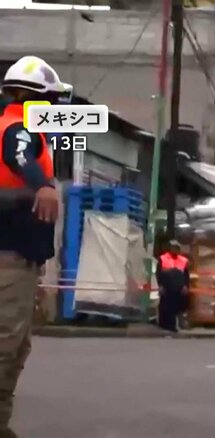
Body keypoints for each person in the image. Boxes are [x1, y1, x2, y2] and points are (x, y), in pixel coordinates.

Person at [0, 56, 68, 437]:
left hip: (18, 258)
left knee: (15, 347)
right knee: (5, 347)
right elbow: (20, 153)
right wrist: (43, 184)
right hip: (9, 257)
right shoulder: (20, 127)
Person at [156, 240, 190, 333]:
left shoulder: (183, 260)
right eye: (173, 248)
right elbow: (158, 273)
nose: (174, 250)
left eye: (176, 248)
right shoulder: (163, 258)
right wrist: (160, 285)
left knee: (176, 307)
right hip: (166, 286)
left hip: (178, 286)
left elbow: (186, 275)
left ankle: (173, 326)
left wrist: (185, 286)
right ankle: (163, 324)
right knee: (165, 306)